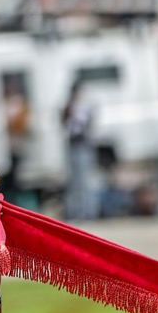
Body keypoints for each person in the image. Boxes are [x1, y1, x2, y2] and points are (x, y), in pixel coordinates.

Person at [62, 81, 99, 221]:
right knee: (74, 181)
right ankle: (75, 211)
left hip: (83, 144)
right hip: (73, 144)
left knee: (85, 180)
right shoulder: (70, 106)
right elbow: (64, 121)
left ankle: (89, 211)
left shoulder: (85, 107)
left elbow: (89, 123)